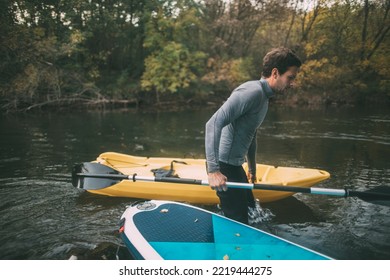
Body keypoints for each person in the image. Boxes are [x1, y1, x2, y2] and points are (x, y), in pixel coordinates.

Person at [205, 47, 302, 224]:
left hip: (235, 166)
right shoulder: (252, 92)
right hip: (223, 167)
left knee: (252, 210)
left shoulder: (264, 98)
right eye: (290, 77)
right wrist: (213, 171)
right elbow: (213, 123)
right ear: (275, 73)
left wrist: (252, 169)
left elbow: (251, 133)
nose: (292, 83)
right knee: (239, 224)